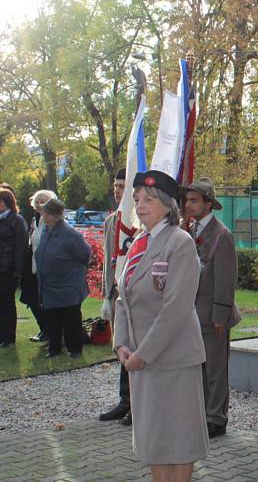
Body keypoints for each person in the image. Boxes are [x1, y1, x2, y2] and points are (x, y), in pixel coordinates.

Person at [114, 170, 208, 481]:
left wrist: (144, 354)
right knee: (154, 435)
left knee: (179, 438)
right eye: (137, 199)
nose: (140, 205)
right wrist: (121, 345)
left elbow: (176, 309)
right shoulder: (137, 242)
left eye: (148, 200)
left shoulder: (179, 243)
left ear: (167, 206)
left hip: (173, 359)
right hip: (141, 360)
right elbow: (122, 298)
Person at [183, 177, 241, 439]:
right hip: (193, 314)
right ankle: (202, 412)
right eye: (187, 200)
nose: (188, 205)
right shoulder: (191, 231)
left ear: (208, 204)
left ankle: (216, 418)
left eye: (194, 200)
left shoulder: (221, 235)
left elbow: (225, 279)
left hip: (212, 315)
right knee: (199, 367)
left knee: (216, 370)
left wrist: (220, 314)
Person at [35, 198, 91, 358]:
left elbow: (85, 255)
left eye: (44, 212)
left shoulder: (69, 234)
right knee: (52, 318)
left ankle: (75, 350)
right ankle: (54, 349)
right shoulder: (47, 230)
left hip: (68, 286)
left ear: (53, 215)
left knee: (70, 318)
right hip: (50, 286)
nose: (42, 215)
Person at [99, 169, 133, 425]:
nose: (117, 190)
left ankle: (137, 402)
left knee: (136, 347)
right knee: (120, 346)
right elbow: (108, 262)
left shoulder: (137, 219)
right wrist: (105, 295)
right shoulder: (112, 220)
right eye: (115, 185)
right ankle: (125, 400)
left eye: (122, 185)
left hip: (134, 296)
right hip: (116, 293)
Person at [19, 189, 58, 343]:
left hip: (48, 269)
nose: (40, 204)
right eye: (38, 201)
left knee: (47, 302)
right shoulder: (34, 220)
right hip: (34, 268)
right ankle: (44, 329)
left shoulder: (53, 221)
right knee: (31, 299)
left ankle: (51, 332)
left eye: (44, 201)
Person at [0, 187, 28, 348]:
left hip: (7, 269)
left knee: (7, 303)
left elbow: (20, 247)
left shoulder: (16, 220)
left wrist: (17, 271)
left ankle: (9, 337)